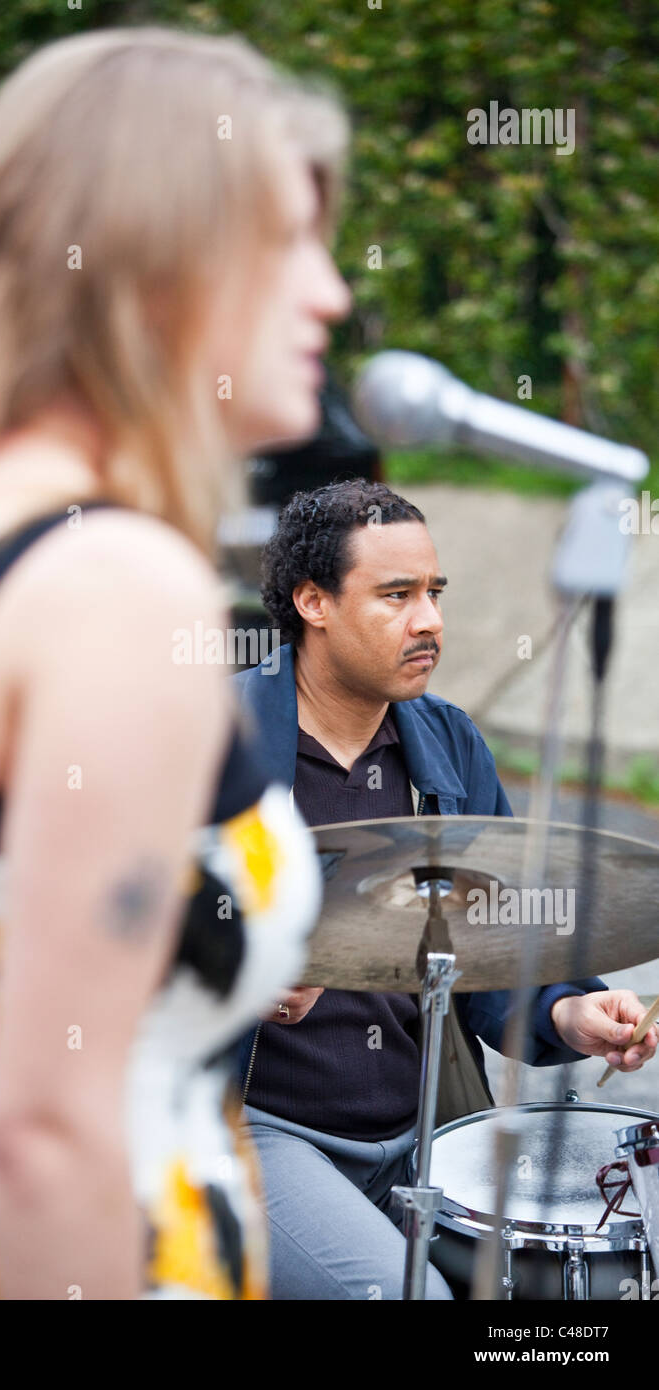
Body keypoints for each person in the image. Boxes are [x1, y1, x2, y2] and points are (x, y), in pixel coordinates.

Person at [0, 27, 354, 1299]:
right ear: (154, 264)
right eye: (287, 243)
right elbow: (47, 1137)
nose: (329, 291)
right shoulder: (109, 585)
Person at [232, 478, 658, 1300]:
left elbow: (495, 940)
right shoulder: (215, 739)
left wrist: (567, 1011)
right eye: (396, 596)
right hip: (257, 1129)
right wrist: (234, 974)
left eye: (434, 593)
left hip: (426, 1127)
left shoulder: (449, 745)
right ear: (312, 602)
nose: (429, 621)